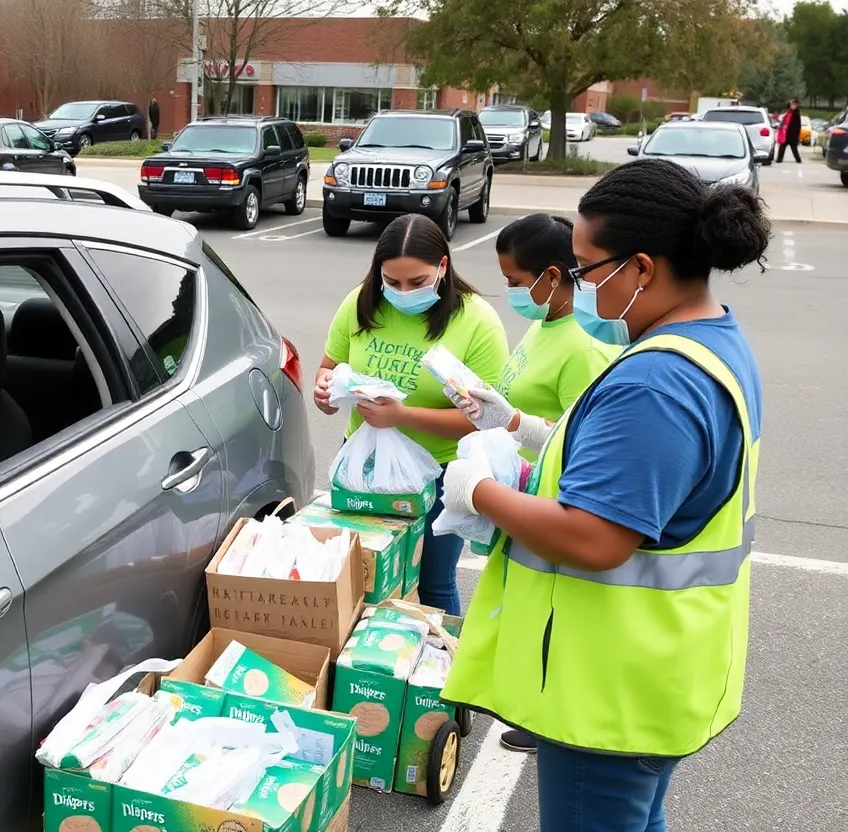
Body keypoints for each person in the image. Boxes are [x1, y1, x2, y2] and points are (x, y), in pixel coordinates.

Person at [440, 158, 767, 831]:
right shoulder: (708, 342)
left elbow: (594, 537)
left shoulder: (656, 383)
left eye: (588, 269)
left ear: (641, 268)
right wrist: (516, 426)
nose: (580, 284)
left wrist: (478, 492)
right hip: (654, 674)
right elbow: (630, 478)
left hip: (610, 691)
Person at [456, 213, 621, 754]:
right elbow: (533, 408)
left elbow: (579, 443)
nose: (509, 293)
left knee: (558, 620)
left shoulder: (585, 346)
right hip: (529, 494)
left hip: (554, 509)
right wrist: (497, 413)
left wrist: (511, 432)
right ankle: (533, 703)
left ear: (552, 277)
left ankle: (552, 716)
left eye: (513, 282)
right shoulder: (546, 322)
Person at [313, 213, 509, 615]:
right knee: (359, 577)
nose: (402, 292)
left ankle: (439, 669)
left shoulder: (476, 322)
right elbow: (330, 365)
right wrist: (326, 390)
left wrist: (401, 416)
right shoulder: (361, 302)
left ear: (443, 266)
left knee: (433, 582)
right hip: (365, 464)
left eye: (416, 282)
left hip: (441, 475)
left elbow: (486, 421)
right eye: (392, 282)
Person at [776, 98, 802, 163]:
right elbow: (783, 120)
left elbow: (798, 126)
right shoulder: (787, 112)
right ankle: (779, 159)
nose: (793, 106)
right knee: (782, 146)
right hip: (786, 133)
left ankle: (798, 159)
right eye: (792, 104)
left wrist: (797, 135)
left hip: (793, 134)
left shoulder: (796, 114)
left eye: (794, 105)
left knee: (794, 148)